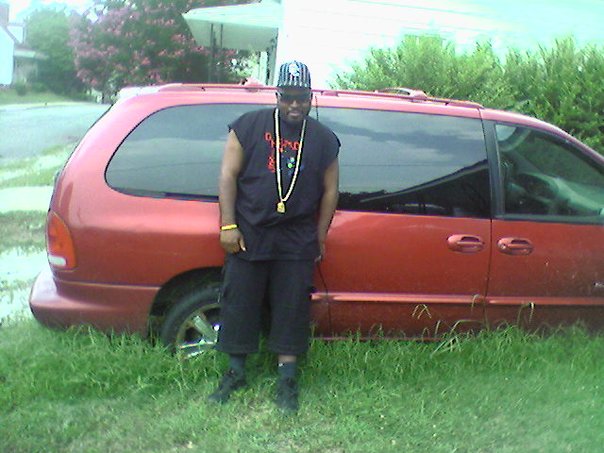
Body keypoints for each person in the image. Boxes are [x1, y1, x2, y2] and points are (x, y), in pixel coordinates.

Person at [208, 60, 340, 414]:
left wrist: (320, 235)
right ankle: (235, 373)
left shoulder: (324, 139)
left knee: (291, 306)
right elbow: (227, 175)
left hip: (297, 238)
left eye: (302, 98)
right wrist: (227, 225)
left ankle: (287, 380)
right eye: (287, 97)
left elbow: (330, 191)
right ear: (277, 95)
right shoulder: (248, 126)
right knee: (240, 301)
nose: (294, 105)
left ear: (311, 98)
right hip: (249, 232)